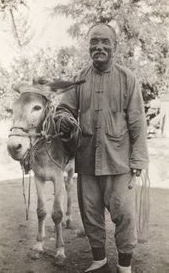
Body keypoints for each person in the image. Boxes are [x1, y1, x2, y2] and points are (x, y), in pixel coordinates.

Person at [55, 23, 149, 273]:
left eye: (105, 41)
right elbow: (63, 109)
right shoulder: (78, 80)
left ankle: (124, 265)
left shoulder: (128, 79)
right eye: (94, 41)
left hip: (119, 161)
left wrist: (138, 159)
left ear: (115, 46)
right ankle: (99, 260)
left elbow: (138, 121)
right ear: (88, 46)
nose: (99, 46)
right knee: (90, 214)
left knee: (125, 213)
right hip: (86, 160)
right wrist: (63, 118)